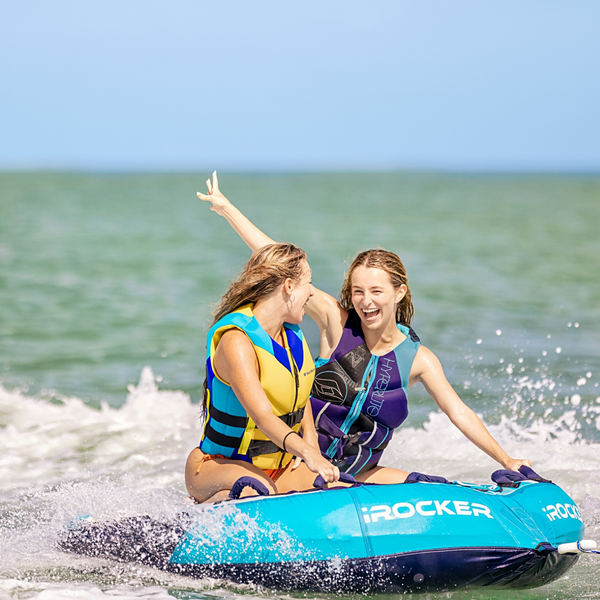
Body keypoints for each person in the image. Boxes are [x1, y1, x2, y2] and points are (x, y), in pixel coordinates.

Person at [196, 172, 532, 485]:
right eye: (358, 292)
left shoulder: (418, 359)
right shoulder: (335, 324)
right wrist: (228, 211)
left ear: (399, 292)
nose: (365, 302)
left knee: (432, 488)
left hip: (361, 474)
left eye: (376, 292)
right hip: (301, 467)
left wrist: (505, 458)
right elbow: (280, 269)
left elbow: (459, 411)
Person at [185, 242, 340, 503]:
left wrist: (311, 439)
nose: (312, 293)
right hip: (219, 466)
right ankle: (197, 512)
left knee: (336, 490)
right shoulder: (238, 341)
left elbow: (299, 392)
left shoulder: (291, 334)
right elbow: (262, 416)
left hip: (275, 469)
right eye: (308, 283)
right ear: (289, 286)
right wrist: (307, 453)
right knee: (259, 493)